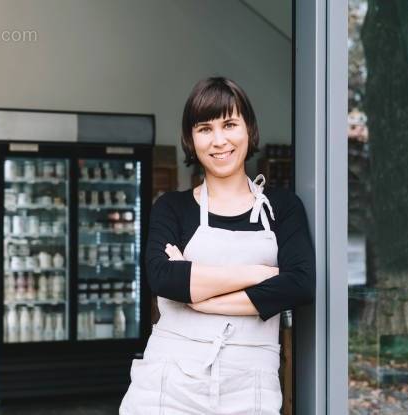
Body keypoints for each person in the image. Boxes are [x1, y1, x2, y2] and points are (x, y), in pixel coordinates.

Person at [119, 77, 315, 414]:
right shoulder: (172, 207)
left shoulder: (282, 208)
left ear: (249, 129)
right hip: (169, 383)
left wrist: (199, 298)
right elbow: (164, 278)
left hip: (250, 387)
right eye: (205, 129)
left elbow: (299, 285)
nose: (219, 140)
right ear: (190, 139)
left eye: (229, 124)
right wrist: (257, 274)